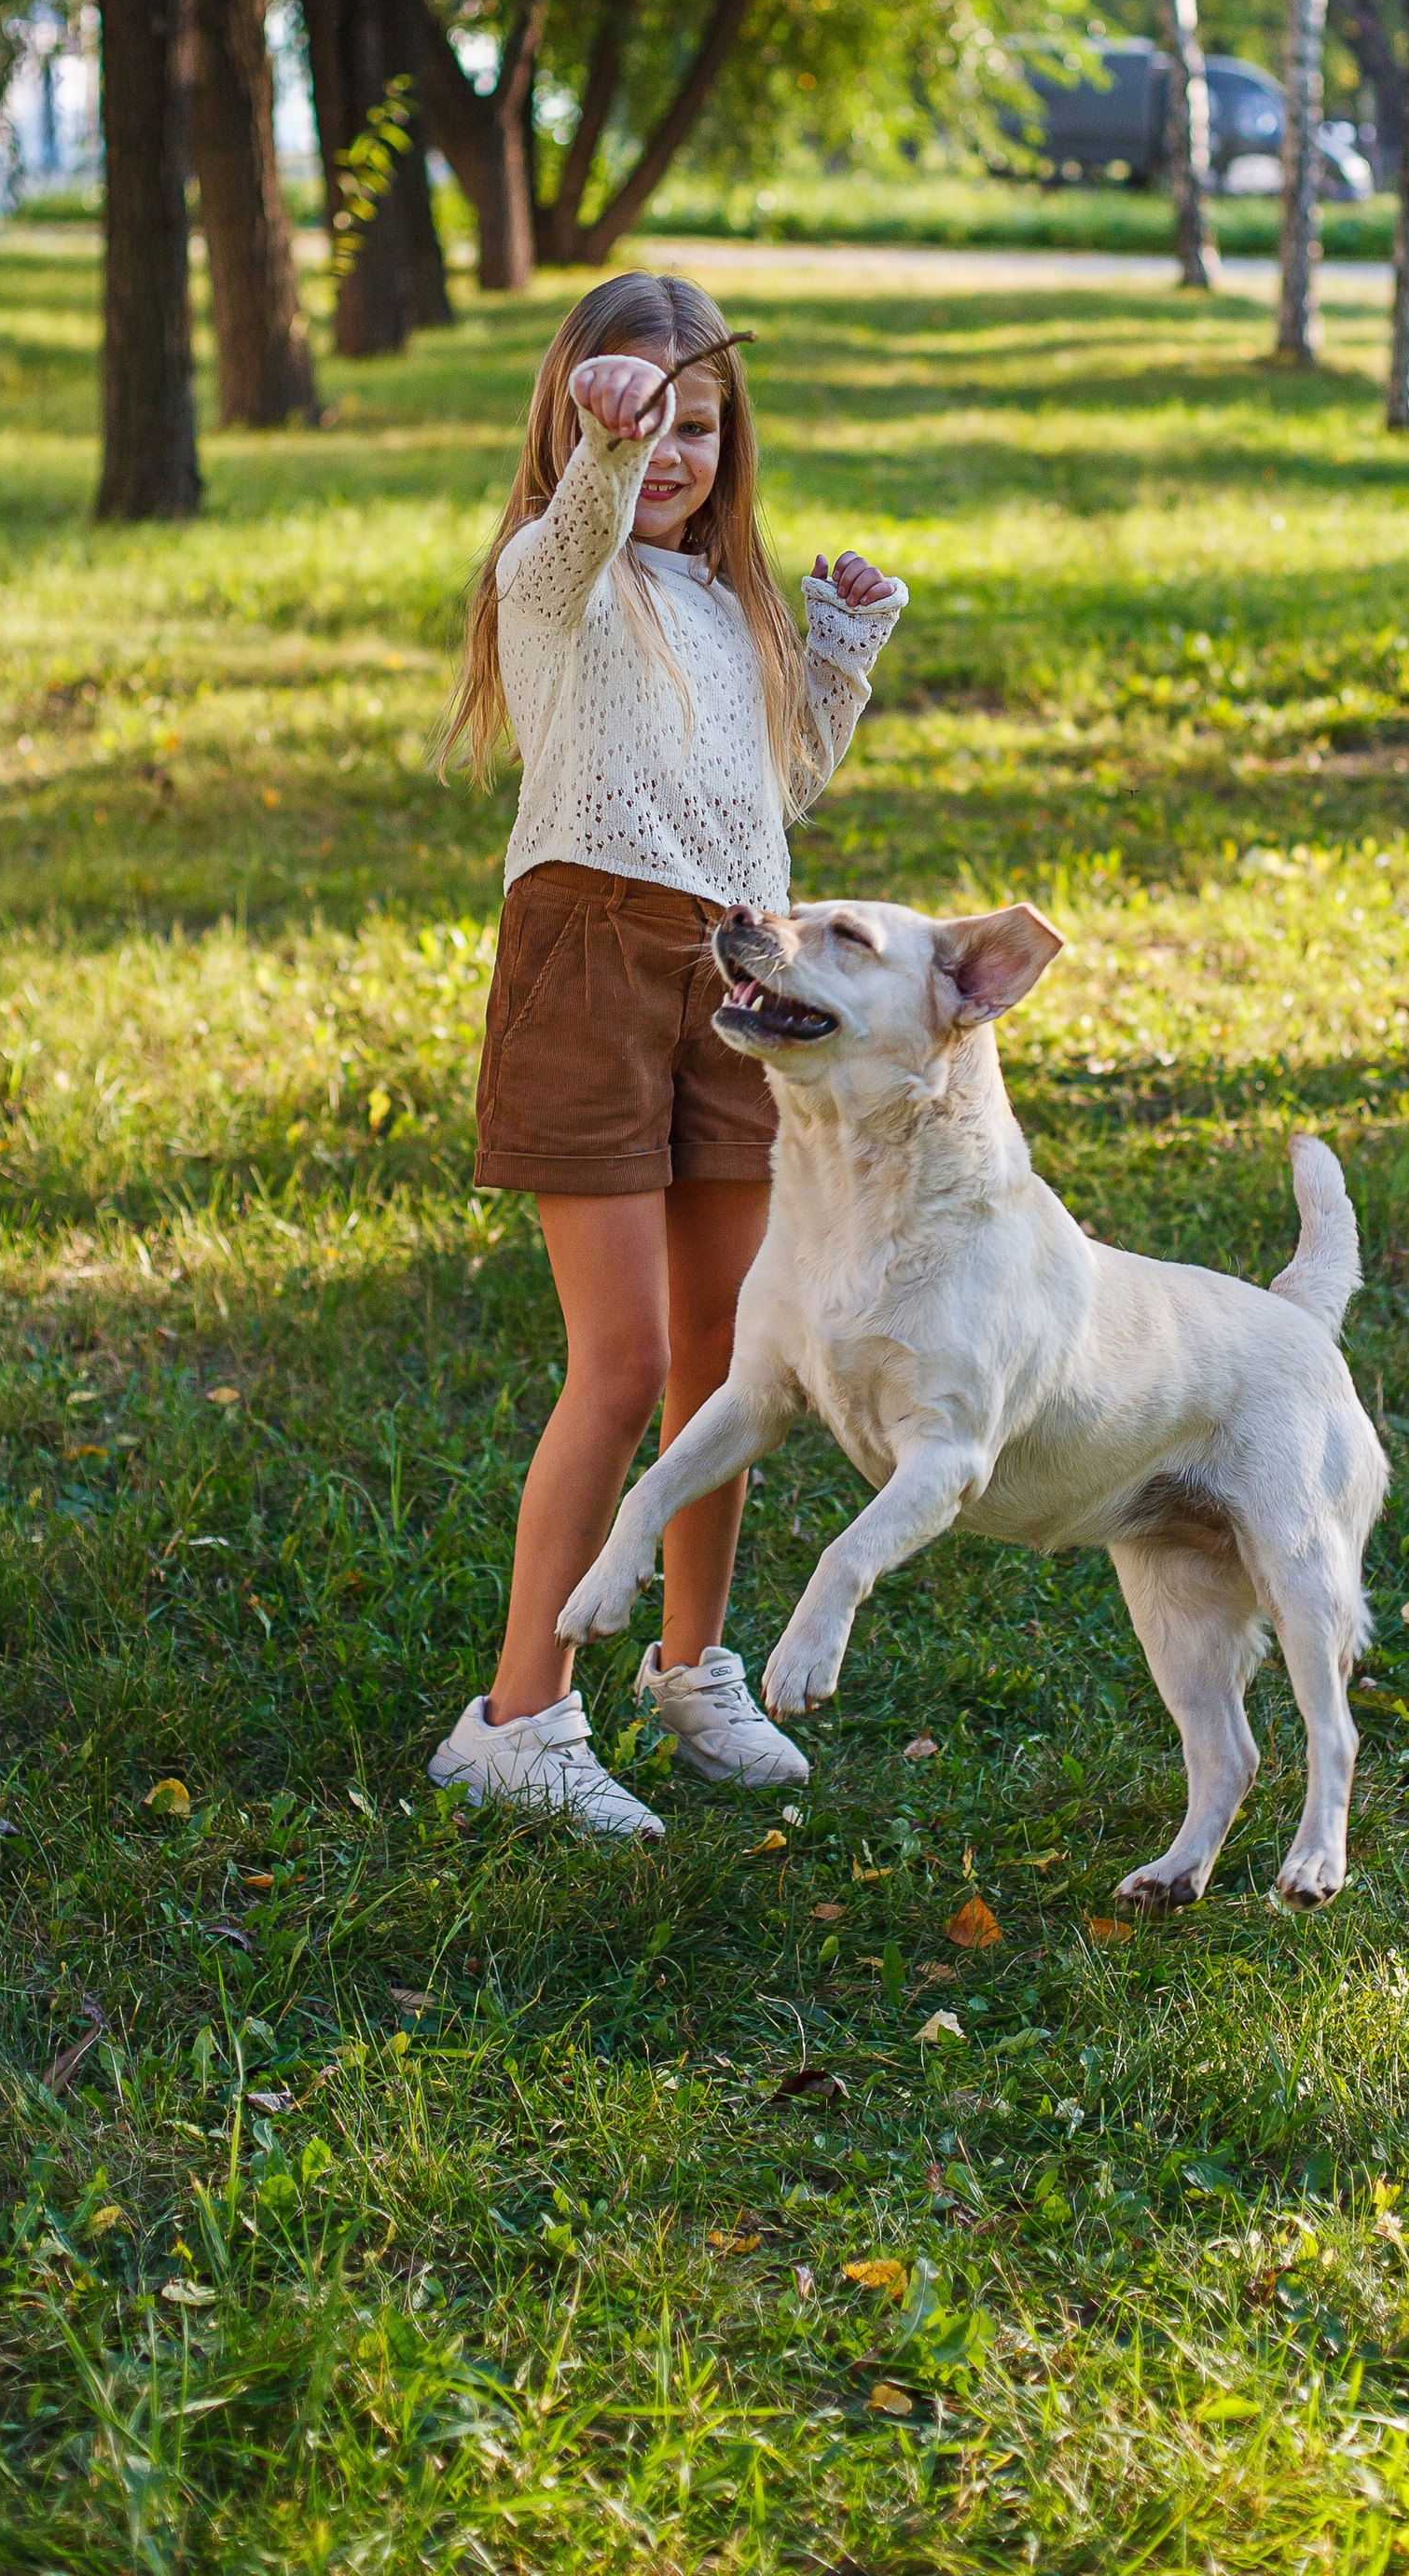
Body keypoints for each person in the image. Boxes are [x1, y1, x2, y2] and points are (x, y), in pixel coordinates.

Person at [426, 274, 906, 1837]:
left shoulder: (724, 601)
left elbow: (798, 773)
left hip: (738, 977)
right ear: (579, 415)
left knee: (729, 1365)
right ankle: (516, 1714)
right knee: (624, 1362)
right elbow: (578, 531)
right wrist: (607, 448)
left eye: (703, 423)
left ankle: (692, 1669)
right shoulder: (549, 571)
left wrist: (842, 634)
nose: (680, 449)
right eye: (648, 416)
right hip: (590, 963)